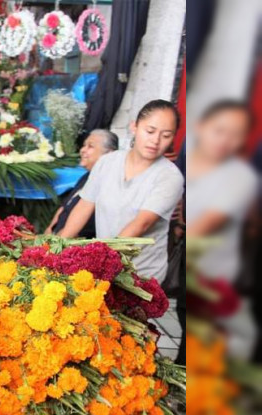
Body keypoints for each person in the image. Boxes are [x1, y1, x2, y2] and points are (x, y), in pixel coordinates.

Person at [58, 100, 185, 282]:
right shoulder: (107, 162)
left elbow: (142, 223)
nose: (155, 141)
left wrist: (100, 260)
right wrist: (58, 246)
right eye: (150, 131)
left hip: (140, 274)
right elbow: (84, 206)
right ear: (134, 127)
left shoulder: (170, 177)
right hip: (104, 266)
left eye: (166, 135)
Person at [187, 101, 258, 360]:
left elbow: (203, 225)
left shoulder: (240, 177)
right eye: (219, 130)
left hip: (214, 286)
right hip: (187, 279)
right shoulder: (184, 162)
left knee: (210, 357)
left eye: (237, 135)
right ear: (200, 126)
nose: (226, 141)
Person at [45, 129, 119, 237]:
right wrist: (50, 229)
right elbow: (65, 206)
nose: (83, 150)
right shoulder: (87, 176)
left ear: (109, 154)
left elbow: (88, 221)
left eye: (90, 146)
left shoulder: (109, 183)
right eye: (84, 145)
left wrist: (63, 237)